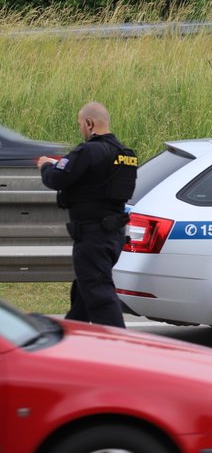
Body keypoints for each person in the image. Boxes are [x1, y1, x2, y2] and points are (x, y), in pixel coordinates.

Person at [36, 102, 137, 328]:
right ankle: (72, 338)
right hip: (113, 235)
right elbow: (96, 184)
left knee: (99, 294)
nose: (81, 129)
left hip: (93, 236)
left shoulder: (89, 151)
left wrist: (45, 166)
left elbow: (57, 179)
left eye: (81, 124)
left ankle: (119, 350)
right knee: (85, 291)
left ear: (89, 124)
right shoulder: (126, 155)